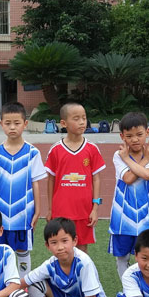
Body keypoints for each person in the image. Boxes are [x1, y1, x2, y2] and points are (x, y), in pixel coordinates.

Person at [0, 102, 47, 282]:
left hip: (24, 214)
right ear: (1, 124)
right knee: (0, 251)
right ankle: (2, 284)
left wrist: (37, 210)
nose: (12, 127)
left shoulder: (32, 152)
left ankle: (23, 284)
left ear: (25, 124)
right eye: (8, 123)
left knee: (22, 250)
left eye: (16, 123)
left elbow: (35, 183)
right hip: (0, 214)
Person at [44, 102, 105, 251]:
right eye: (76, 119)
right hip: (61, 211)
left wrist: (95, 208)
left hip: (84, 211)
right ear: (63, 123)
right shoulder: (56, 150)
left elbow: (96, 179)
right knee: (61, 249)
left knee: (82, 250)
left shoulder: (92, 149)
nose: (82, 122)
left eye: (84, 118)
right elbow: (51, 180)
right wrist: (50, 209)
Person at [108, 112, 149, 280]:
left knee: (146, 256)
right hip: (122, 217)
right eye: (129, 136)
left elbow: (146, 175)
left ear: (147, 132)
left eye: (139, 134)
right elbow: (128, 179)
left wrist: (129, 159)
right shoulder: (118, 155)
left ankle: (143, 288)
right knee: (122, 257)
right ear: (122, 136)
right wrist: (140, 160)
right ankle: (128, 289)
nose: (135, 139)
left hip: (147, 217)